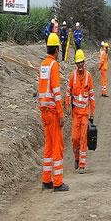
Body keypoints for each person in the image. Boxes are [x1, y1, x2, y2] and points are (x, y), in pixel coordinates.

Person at [38, 33, 69, 192]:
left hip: (44, 111)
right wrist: (61, 113)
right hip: (52, 112)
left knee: (49, 146)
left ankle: (46, 180)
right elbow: (56, 92)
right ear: (57, 49)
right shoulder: (54, 66)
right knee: (57, 146)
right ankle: (57, 182)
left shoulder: (43, 65)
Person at [65, 49, 95, 174]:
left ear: (84, 62)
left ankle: (82, 164)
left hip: (84, 114)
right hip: (76, 114)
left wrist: (92, 114)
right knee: (74, 138)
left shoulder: (89, 76)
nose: (79, 65)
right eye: (78, 63)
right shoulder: (73, 76)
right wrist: (67, 107)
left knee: (83, 138)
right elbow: (67, 93)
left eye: (81, 62)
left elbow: (92, 96)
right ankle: (77, 158)